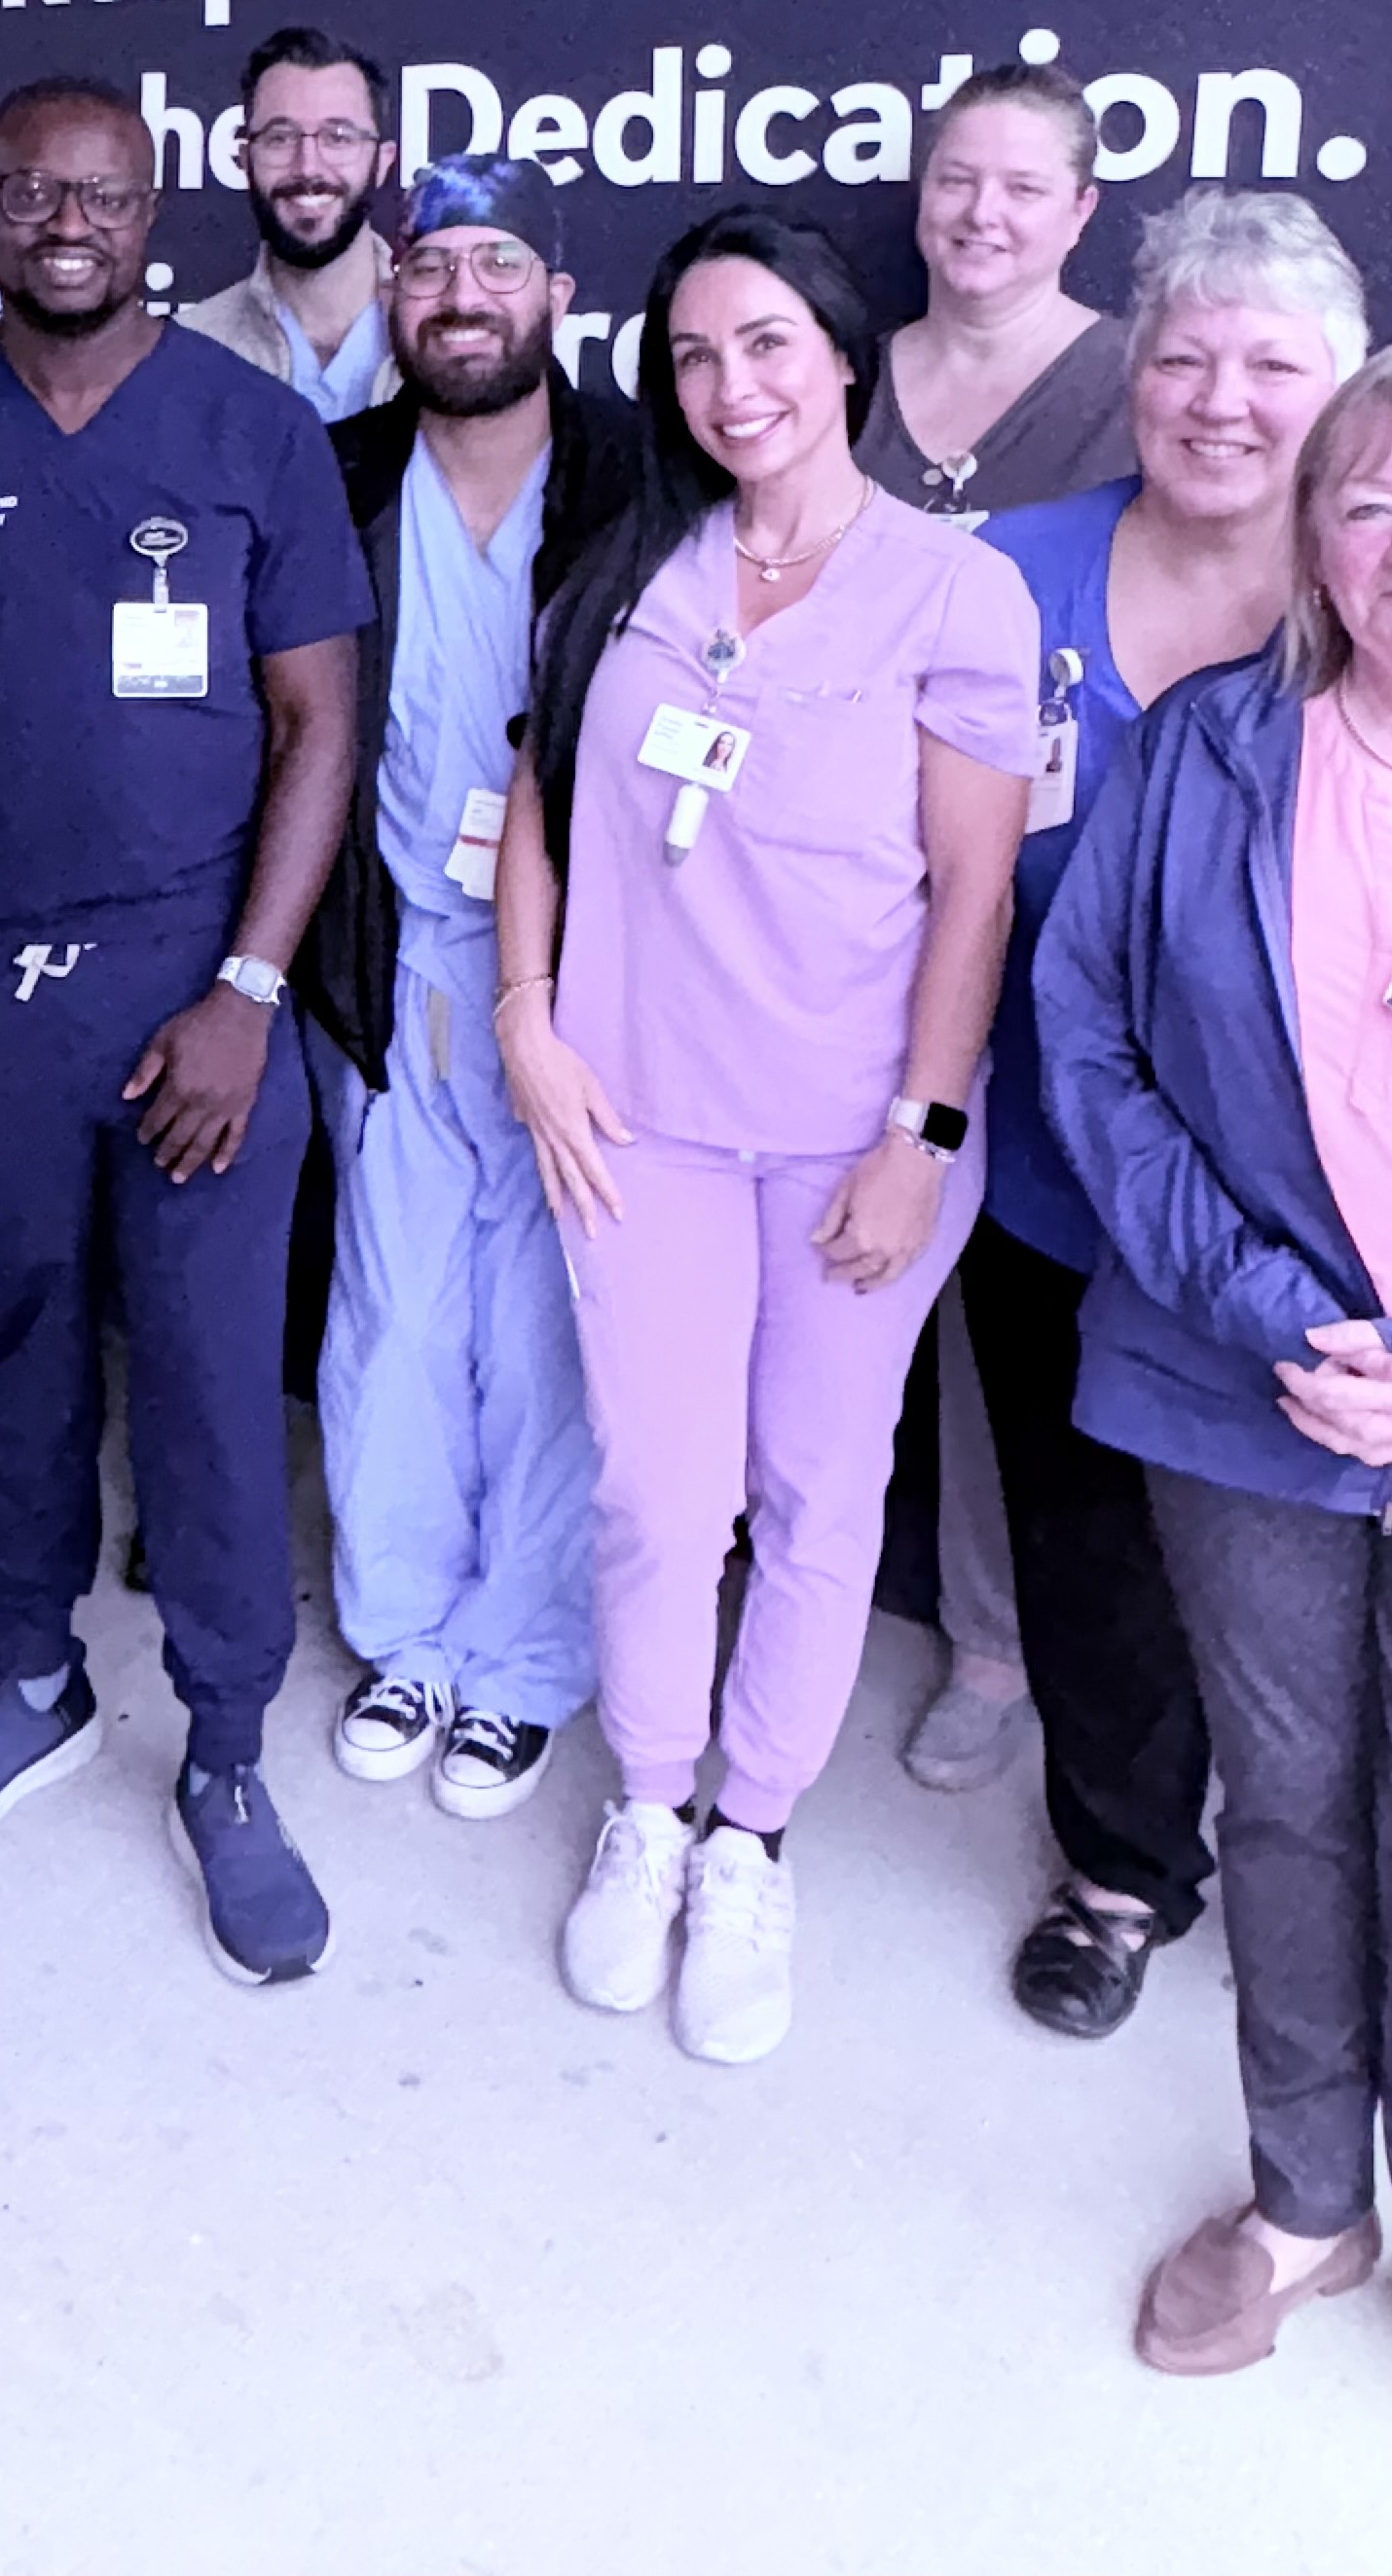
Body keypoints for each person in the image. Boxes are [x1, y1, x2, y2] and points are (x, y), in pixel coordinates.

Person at [1040, 333, 1392, 2549]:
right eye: (1368, 504)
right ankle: (1303, 2206)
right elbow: (1084, 1036)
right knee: (1281, 1812)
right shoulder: (1207, 754)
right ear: (1314, 536)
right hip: (1240, 1386)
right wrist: (1263, 1304)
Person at [0, 77, 367, 1983]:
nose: (69, 219)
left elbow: (320, 730)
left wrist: (246, 992)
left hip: (197, 993)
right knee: (24, 1358)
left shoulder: (252, 432)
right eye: (35, 189)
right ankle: (34, 1676)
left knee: (216, 1390)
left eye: (106, 194)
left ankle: (225, 1756)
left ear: (156, 215)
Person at [495, 208, 1036, 2060]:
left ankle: (751, 1833)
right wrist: (524, 1014)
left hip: (846, 1140)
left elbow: (971, 894)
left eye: (766, 345)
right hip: (633, 1120)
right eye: (695, 354)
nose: (730, 386)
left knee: (816, 1497)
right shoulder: (631, 557)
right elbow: (538, 795)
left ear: (839, 356)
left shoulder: (952, 592)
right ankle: (646, 1805)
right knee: (659, 1493)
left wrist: (918, 1127)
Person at [970, 188, 1363, 2036]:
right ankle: (1119, 1867)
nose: (1217, 397)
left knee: (1309, 1577)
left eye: (1268, 363)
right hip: (1046, 1172)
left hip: (1322, 1210)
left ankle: (1342, 1914)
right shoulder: (1004, 570)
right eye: (1181, 356)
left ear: (1343, 384)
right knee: (1085, 1542)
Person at [300, 157, 645, 1816]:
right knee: (397, 1308)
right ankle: (405, 1637)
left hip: (599, 979)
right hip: (394, 963)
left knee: (557, 1324)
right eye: (428, 267)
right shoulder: (331, 473)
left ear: (555, 297)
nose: (457, 295)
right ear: (389, 297)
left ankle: (518, 1659)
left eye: (494, 264)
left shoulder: (644, 479)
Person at [861, 61, 1138, 1796]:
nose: (977, 214)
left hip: (1050, 905)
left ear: (1077, 211)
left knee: (1028, 1301)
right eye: (953, 177)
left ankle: (994, 1641)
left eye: (1018, 187)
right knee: (869, 1254)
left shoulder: (1134, 387)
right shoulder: (850, 376)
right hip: (842, 900)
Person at [178, 25, 398, 424]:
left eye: (339, 137)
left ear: (383, 161)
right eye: (280, 138)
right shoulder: (189, 352)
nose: (308, 166)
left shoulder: (436, 340)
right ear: (244, 160)